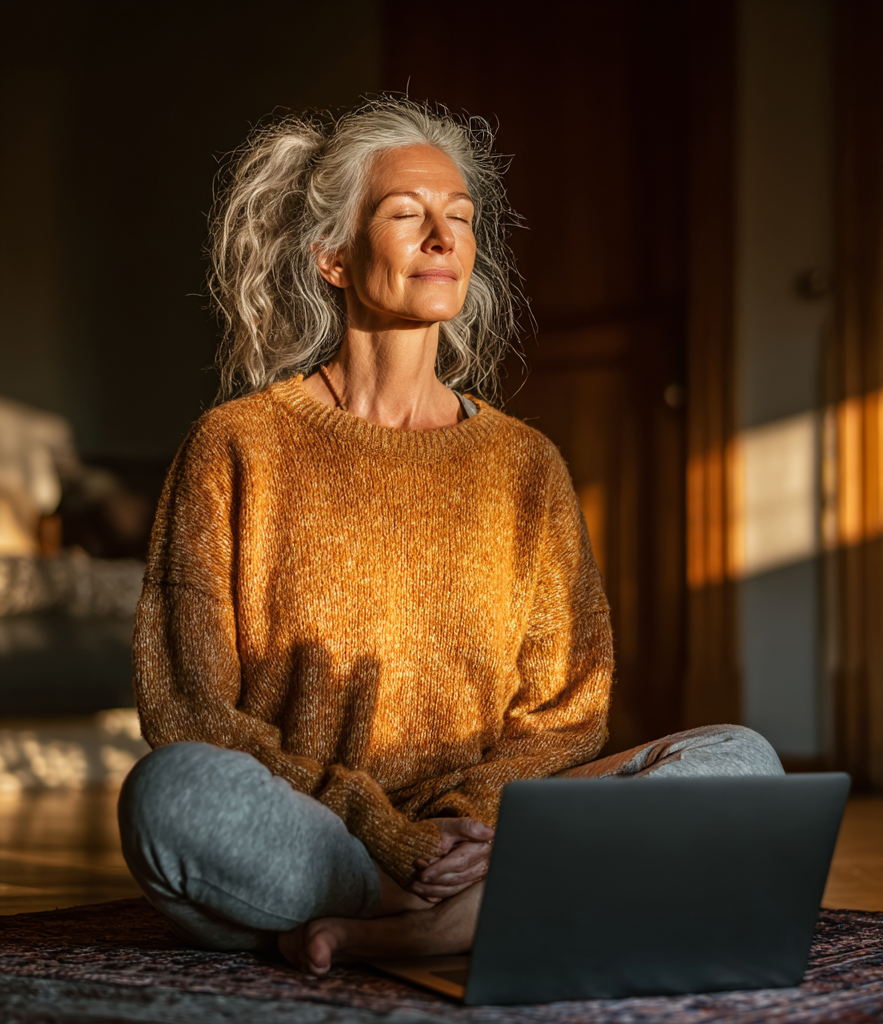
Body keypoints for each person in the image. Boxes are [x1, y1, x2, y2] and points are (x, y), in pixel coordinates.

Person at [118, 96, 784, 978]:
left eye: (461, 220)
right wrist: (387, 832)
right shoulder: (236, 445)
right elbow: (189, 708)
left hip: (488, 834)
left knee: (744, 762)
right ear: (332, 257)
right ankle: (497, 909)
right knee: (169, 798)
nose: (444, 239)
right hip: (326, 836)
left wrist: (476, 822)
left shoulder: (524, 464)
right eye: (407, 216)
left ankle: (416, 926)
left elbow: (570, 708)